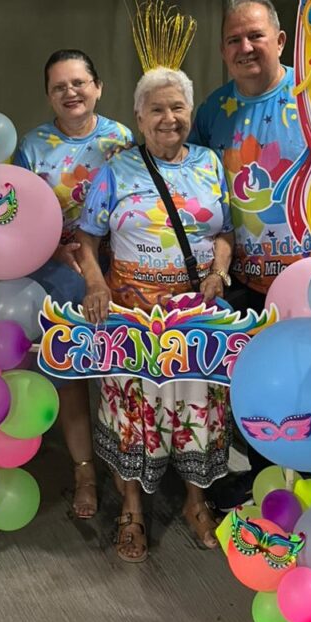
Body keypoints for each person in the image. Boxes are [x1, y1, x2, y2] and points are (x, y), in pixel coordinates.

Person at [77, 67, 234, 562]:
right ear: (139, 117)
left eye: (178, 107)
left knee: (197, 409)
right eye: (157, 109)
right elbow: (87, 238)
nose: (169, 118)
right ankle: (131, 509)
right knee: (133, 413)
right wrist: (96, 284)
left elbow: (224, 231)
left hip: (195, 318)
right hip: (132, 318)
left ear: (190, 112)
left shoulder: (209, 163)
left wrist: (219, 273)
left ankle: (195, 502)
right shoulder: (117, 171)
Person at [191, 0, 311, 508]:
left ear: (280, 39)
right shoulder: (212, 111)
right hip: (244, 284)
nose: (245, 47)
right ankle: (264, 479)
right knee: (253, 389)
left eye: (255, 35)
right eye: (234, 39)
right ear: (223, 51)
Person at [15, 49, 132, 520]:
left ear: (98, 87)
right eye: (59, 86)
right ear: (49, 95)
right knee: (72, 370)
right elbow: (18, 217)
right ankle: (84, 472)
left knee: (121, 369)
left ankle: (126, 466)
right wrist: (51, 251)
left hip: (117, 264)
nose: (71, 92)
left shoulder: (122, 140)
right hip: (58, 267)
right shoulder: (32, 146)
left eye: (79, 82)